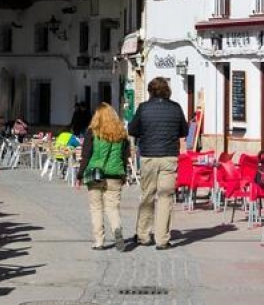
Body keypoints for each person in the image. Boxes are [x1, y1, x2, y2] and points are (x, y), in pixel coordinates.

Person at [127, 77, 188, 250]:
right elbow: (184, 130)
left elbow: (132, 129)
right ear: (167, 90)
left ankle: (143, 235)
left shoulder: (143, 108)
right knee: (165, 197)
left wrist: (145, 132)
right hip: (169, 157)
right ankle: (162, 240)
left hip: (149, 157)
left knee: (147, 195)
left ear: (150, 91)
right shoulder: (175, 108)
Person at [79, 103, 131, 251]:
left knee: (96, 208)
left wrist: (79, 174)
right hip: (115, 174)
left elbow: (86, 155)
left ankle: (99, 241)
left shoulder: (92, 132)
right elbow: (125, 157)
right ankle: (117, 229)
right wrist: (124, 174)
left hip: (95, 173)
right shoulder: (122, 134)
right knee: (112, 208)